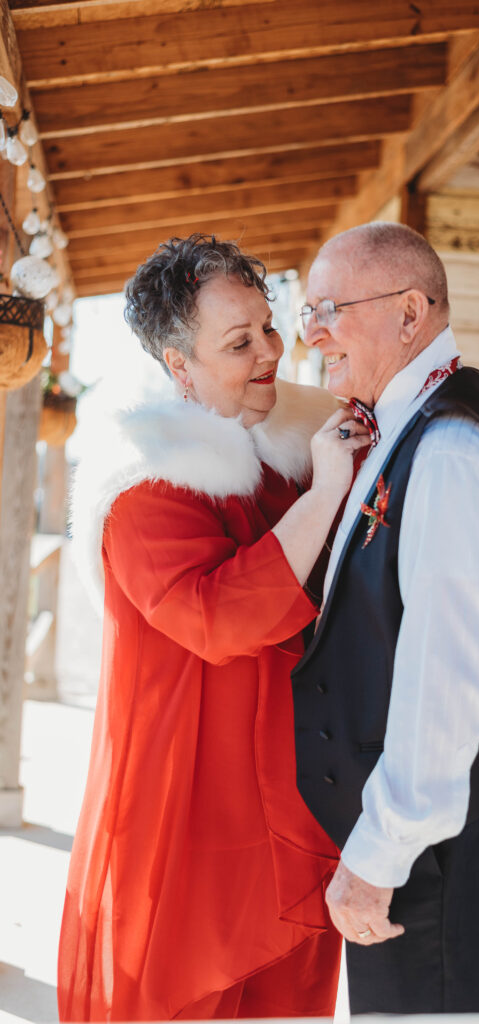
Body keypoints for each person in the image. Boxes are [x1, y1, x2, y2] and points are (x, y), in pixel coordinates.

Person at [58, 235, 370, 1021]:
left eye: (268, 328)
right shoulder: (144, 488)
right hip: (187, 820)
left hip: (291, 806)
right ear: (177, 366)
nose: (269, 352)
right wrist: (326, 492)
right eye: (239, 342)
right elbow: (222, 618)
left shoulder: (289, 454)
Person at [291, 222, 479, 1014]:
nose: (311, 332)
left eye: (329, 308)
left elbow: (444, 679)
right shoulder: (424, 424)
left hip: (441, 842)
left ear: (410, 312)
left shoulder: (451, 448)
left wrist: (378, 855)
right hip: (443, 826)